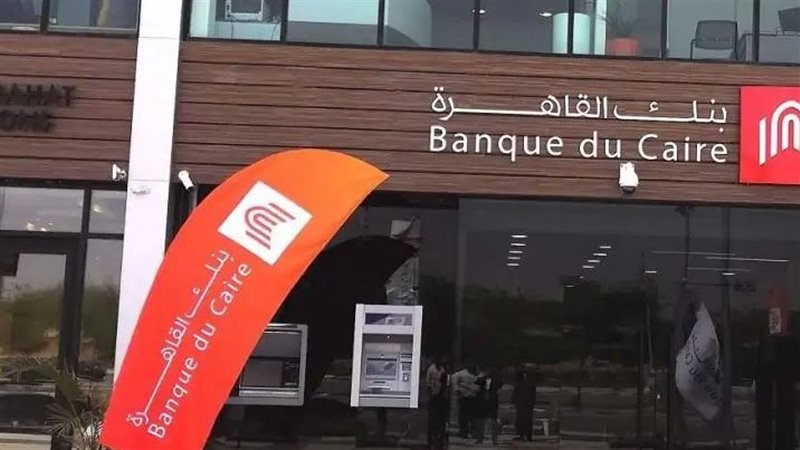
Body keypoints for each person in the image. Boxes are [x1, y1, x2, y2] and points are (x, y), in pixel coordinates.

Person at [426, 357, 449, 449]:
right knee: (432, 420)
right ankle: (431, 440)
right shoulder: (431, 369)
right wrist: (431, 394)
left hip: (441, 398)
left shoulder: (443, 370)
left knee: (440, 421)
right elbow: (428, 383)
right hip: (434, 396)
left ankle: (439, 440)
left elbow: (444, 385)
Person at [451, 363, 479, 439]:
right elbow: (454, 381)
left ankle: (473, 432)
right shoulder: (461, 374)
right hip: (464, 397)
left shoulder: (476, 375)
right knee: (463, 416)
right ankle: (463, 432)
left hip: (473, 397)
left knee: (473, 416)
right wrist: (457, 390)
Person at [513, 365, 536, 442]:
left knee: (521, 419)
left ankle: (522, 435)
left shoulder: (519, 382)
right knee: (527, 420)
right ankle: (527, 436)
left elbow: (516, 392)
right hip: (527, 403)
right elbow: (533, 393)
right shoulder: (530, 381)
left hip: (522, 403)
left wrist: (514, 401)